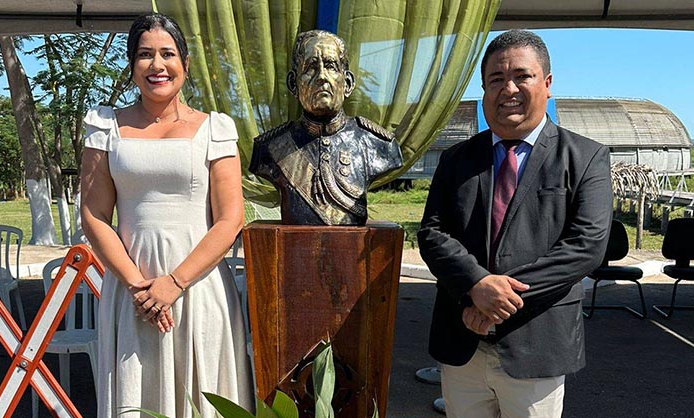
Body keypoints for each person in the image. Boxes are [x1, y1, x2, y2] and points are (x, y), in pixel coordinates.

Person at [418, 29, 612, 418]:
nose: (508, 89)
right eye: (496, 79)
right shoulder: (456, 159)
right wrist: (475, 285)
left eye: (522, 76)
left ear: (547, 83)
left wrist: (496, 301)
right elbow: (433, 234)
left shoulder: (585, 157)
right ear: (484, 89)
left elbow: (585, 246)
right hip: (463, 343)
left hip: (536, 347)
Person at [80, 13, 252, 418]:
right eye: (144, 55)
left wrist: (174, 283)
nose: (157, 65)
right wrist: (140, 288)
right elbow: (94, 215)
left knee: (202, 395)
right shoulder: (105, 127)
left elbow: (231, 219)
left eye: (167, 54)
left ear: (185, 64)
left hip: (198, 288)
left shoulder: (215, 129)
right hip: (131, 292)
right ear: (131, 65)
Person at [249, 29, 402, 226]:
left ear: (347, 83)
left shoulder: (378, 144)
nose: (321, 76)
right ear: (293, 84)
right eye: (310, 68)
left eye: (331, 66)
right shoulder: (270, 148)